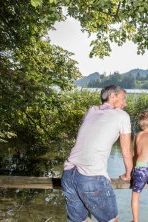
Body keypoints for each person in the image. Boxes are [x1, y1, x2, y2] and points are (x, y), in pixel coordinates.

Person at [61, 84, 133, 222]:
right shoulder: (122, 116)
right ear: (112, 96)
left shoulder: (91, 110)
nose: (125, 103)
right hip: (91, 175)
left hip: (68, 174)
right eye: (123, 98)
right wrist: (129, 174)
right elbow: (126, 151)